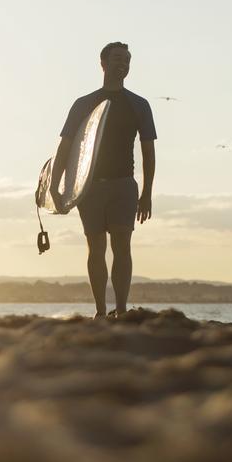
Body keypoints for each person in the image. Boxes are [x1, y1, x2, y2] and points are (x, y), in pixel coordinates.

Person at [51, 42, 156, 318]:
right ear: (103, 63)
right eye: (119, 58)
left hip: (123, 184)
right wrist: (54, 185)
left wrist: (147, 193)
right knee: (95, 246)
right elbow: (66, 146)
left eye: (128, 60)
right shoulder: (84, 103)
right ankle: (100, 311)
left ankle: (120, 310)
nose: (124, 64)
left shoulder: (139, 105)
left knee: (122, 245)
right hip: (90, 186)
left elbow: (148, 151)